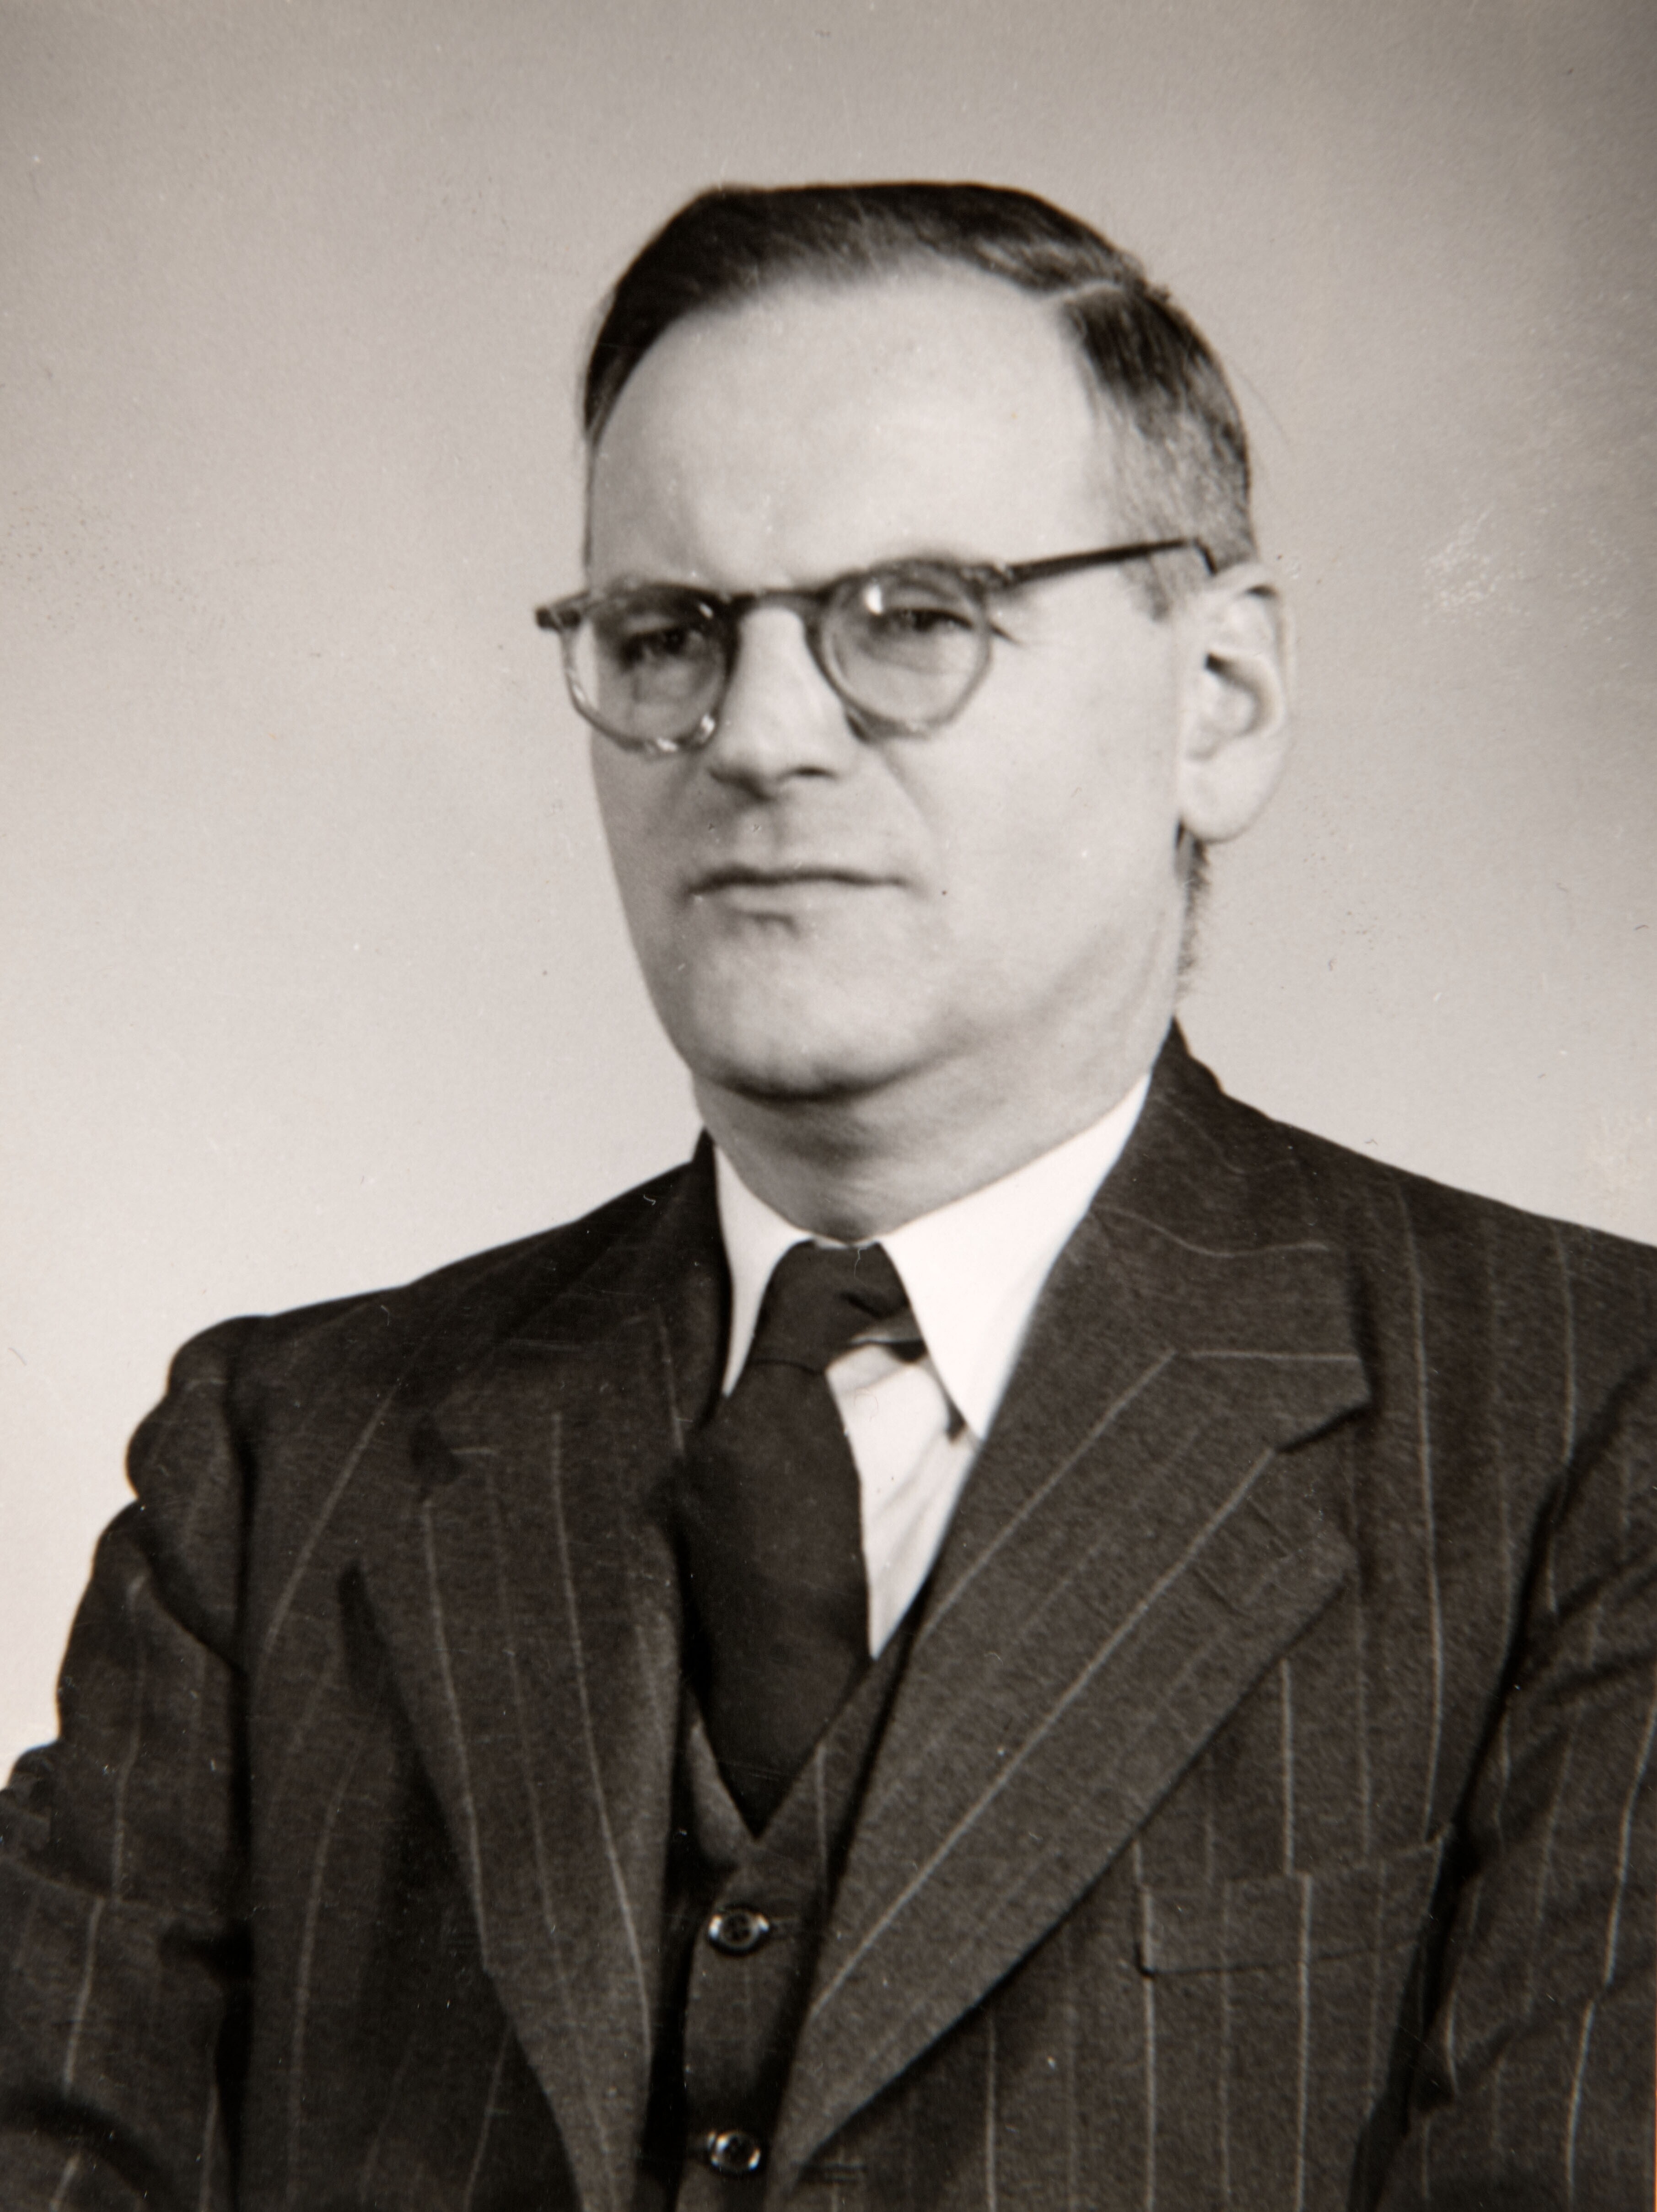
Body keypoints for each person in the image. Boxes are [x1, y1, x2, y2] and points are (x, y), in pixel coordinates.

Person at [0, 181, 1652, 2212]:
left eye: (916, 618)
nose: (762, 738)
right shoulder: (273, 1465)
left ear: (1219, 701)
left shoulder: (1594, 1424)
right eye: (667, 635)